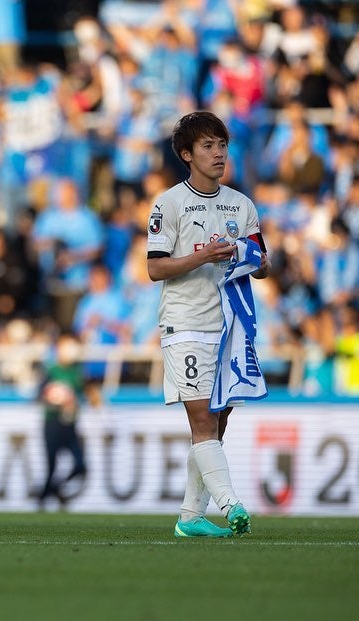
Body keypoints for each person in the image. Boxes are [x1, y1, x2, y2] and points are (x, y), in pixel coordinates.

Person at [146, 111, 270, 538]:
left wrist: (255, 261)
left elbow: (263, 263)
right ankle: (231, 504)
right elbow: (155, 268)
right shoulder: (168, 204)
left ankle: (189, 517)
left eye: (222, 145)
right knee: (202, 421)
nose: (219, 154)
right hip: (185, 324)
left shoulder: (242, 204)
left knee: (217, 424)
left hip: (230, 327)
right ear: (187, 154)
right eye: (208, 146)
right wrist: (203, 256)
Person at [36, 333, 91, 508]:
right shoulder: (51, 370)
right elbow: (39, 395)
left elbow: (83, 395)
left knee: (80, 464)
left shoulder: (77, 371)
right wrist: (55, 400)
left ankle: (52, 490)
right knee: (51, 465)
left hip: (70, 424)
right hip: (52, 423)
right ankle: (43, 498)